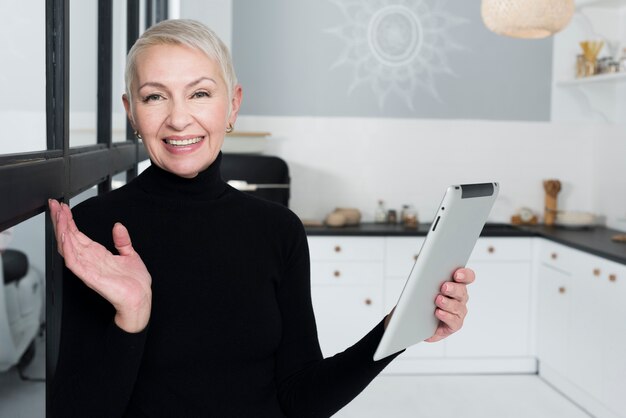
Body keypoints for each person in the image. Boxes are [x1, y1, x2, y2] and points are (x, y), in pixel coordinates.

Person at [48, 19, 474, 417]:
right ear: (131, 111)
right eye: (155, 96)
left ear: (232, 105)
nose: (178, 118)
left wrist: (396, 328)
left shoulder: (277, 230)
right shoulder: (91, 231)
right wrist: (132, 316)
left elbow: (301, 397)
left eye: (199, 93)